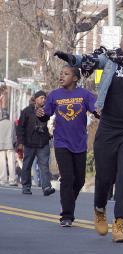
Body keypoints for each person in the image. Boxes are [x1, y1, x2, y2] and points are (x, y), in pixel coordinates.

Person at [55, 28, 123, 242]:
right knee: (104, 177)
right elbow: (88, 60)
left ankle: (120, 223)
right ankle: (100, 209)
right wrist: (71, 59)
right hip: (109, 126)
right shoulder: (110, 58)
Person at [36, 66, 97, 227]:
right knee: (68, 178)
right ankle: (67, 215)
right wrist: (41, 115)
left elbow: (96, 110)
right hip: (61, 142)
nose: (61, 75)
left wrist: (101, 112)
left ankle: (67, 201)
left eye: (66, 73)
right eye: (61, 73)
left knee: (80, 180)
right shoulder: (54, 95)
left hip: (80, 143)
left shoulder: (84, 94)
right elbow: (46, 114)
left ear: (75, 78)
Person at [16, 91, 55, 196]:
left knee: (44, 165)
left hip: (43, 143)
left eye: (45, 98)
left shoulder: (47, 110)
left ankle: (46, 187)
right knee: (27, 165)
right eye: (42, 98)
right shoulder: (26, 111)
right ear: (36, 99)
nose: (44, 100)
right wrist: (20, 142)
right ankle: (26, 187)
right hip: (29, 143)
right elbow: (20, 128)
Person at [0, 111, 17, 186]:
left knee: (2, 163)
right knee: (11, 163)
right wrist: (14, 142)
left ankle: (3, 179)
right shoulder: (11, 123)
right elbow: (14, 135)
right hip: (10, 145)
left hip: (1, 145)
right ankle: (12, 180)